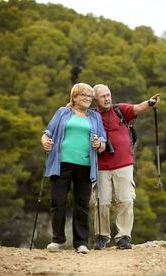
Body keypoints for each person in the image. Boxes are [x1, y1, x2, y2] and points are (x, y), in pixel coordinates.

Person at [91, 84, 160, 250]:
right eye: (103, 96)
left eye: (108, 95)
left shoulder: (119, 110)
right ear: (95, 99)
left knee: (126, 200)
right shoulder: (91, 116)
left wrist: (150, 103)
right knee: (102, 202)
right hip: (101, 166)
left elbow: (137, 108)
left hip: (124, 164)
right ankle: (102, 236)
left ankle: (123, 237)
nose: (107, 98)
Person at [41, 83, 106, 254]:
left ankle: (81, 242)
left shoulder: (95, 117)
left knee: (82, 204)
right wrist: (45, 142)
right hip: (61, 163)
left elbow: (103, 143)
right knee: (58, 202)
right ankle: (57, 240)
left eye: (90, 96)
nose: (87, 98)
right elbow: (47, 133)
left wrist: (99, 143)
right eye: (83, 95)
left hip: (85, 166)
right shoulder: (62, 112)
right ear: (74, 97)